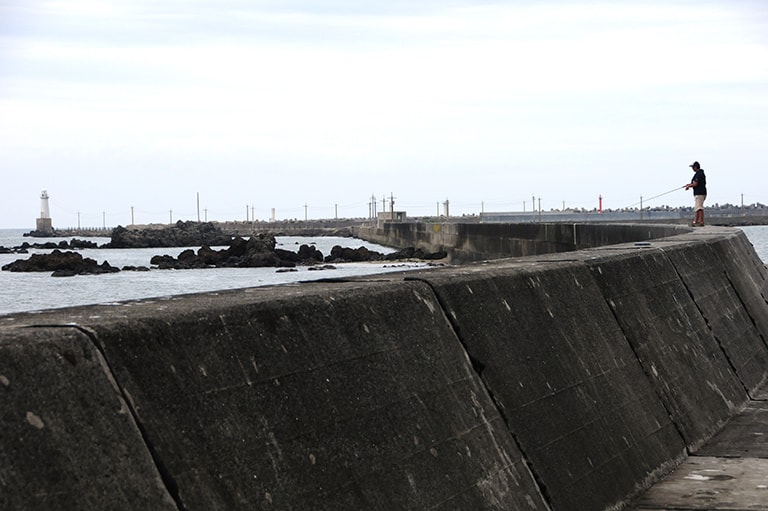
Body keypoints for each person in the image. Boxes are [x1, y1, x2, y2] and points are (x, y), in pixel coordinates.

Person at [684, 161, 707, 226]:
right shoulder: (699, 173)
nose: (692, 169)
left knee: (699, 208)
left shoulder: (699, 174)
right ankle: (696, 221)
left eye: (693, 167)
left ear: (696, 167)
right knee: (697, 208)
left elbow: (695, 184)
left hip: (700, 193)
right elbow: (694, 183)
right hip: (700, 192)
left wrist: (689, 186)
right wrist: (688, 185)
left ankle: (701, 222)